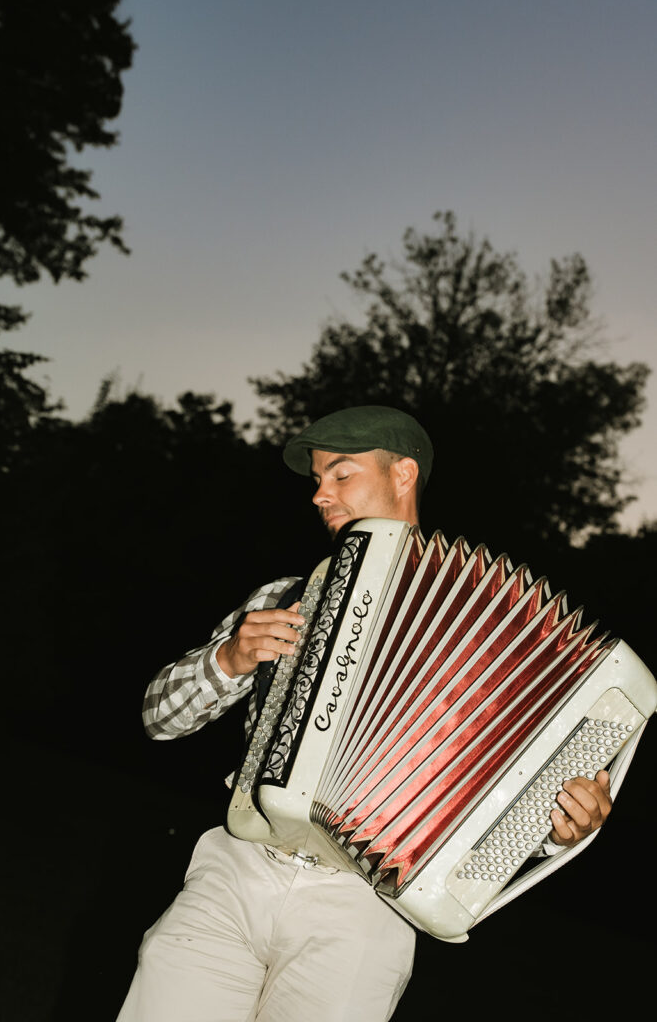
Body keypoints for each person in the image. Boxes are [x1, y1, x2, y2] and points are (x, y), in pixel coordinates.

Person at [117, 406, 613, 1022]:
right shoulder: (285, 597)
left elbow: (507, 803)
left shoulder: (504, 640)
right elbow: (159, 717)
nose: (319, 495)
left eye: (341, 474)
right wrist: (229, 660)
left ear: (403, 474)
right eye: (316, 480)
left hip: (365, 906)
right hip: (240, 869)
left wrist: (559, 827)